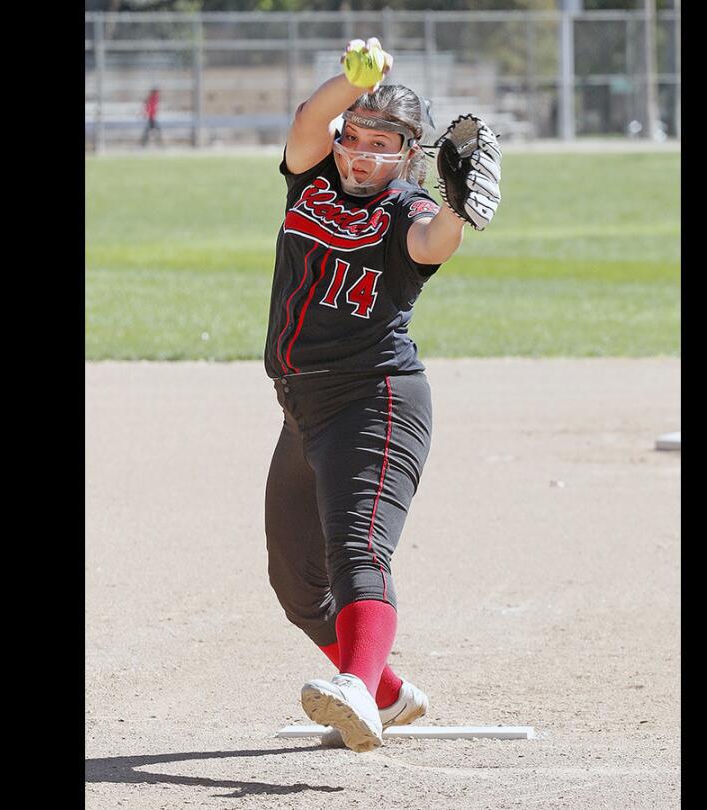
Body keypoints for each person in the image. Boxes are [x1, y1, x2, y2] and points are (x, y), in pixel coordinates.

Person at [263, 38, 481, 753]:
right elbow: (305, 124)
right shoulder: (313, 181)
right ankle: (388, 694)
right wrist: (353, 82)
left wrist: (460, 204)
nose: (358, 153)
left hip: (376, 401)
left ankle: (355, 684)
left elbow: (433, 244)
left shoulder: (407, 209)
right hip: (303, 408)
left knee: (359, 550)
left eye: (379, 143)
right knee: (298, 584)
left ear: (407, 154)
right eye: (352, 137)